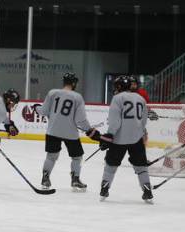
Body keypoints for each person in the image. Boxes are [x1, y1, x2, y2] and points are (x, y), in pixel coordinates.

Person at [91, 75, 152, 203]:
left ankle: (105, 188)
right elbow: (143, 121)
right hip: (137, 139)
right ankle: (147, 190)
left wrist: (108, 136)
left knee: (111, 165)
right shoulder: (141, 99)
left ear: (119, 86)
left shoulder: (117, 98)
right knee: (141, 166)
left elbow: (115, 122)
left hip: (119, 139)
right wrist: (139, 133)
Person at [41, 72, 95, 191]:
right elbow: (80, 119)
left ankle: (45, 178)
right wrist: (89, 130)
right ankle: (75, 179)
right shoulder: (77, 97)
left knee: (51, 156)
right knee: (77, 157)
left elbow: (43, 111)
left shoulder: (52, 93)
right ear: (74, 83)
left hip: (52, 130)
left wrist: (38, 109)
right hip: (70, 133)